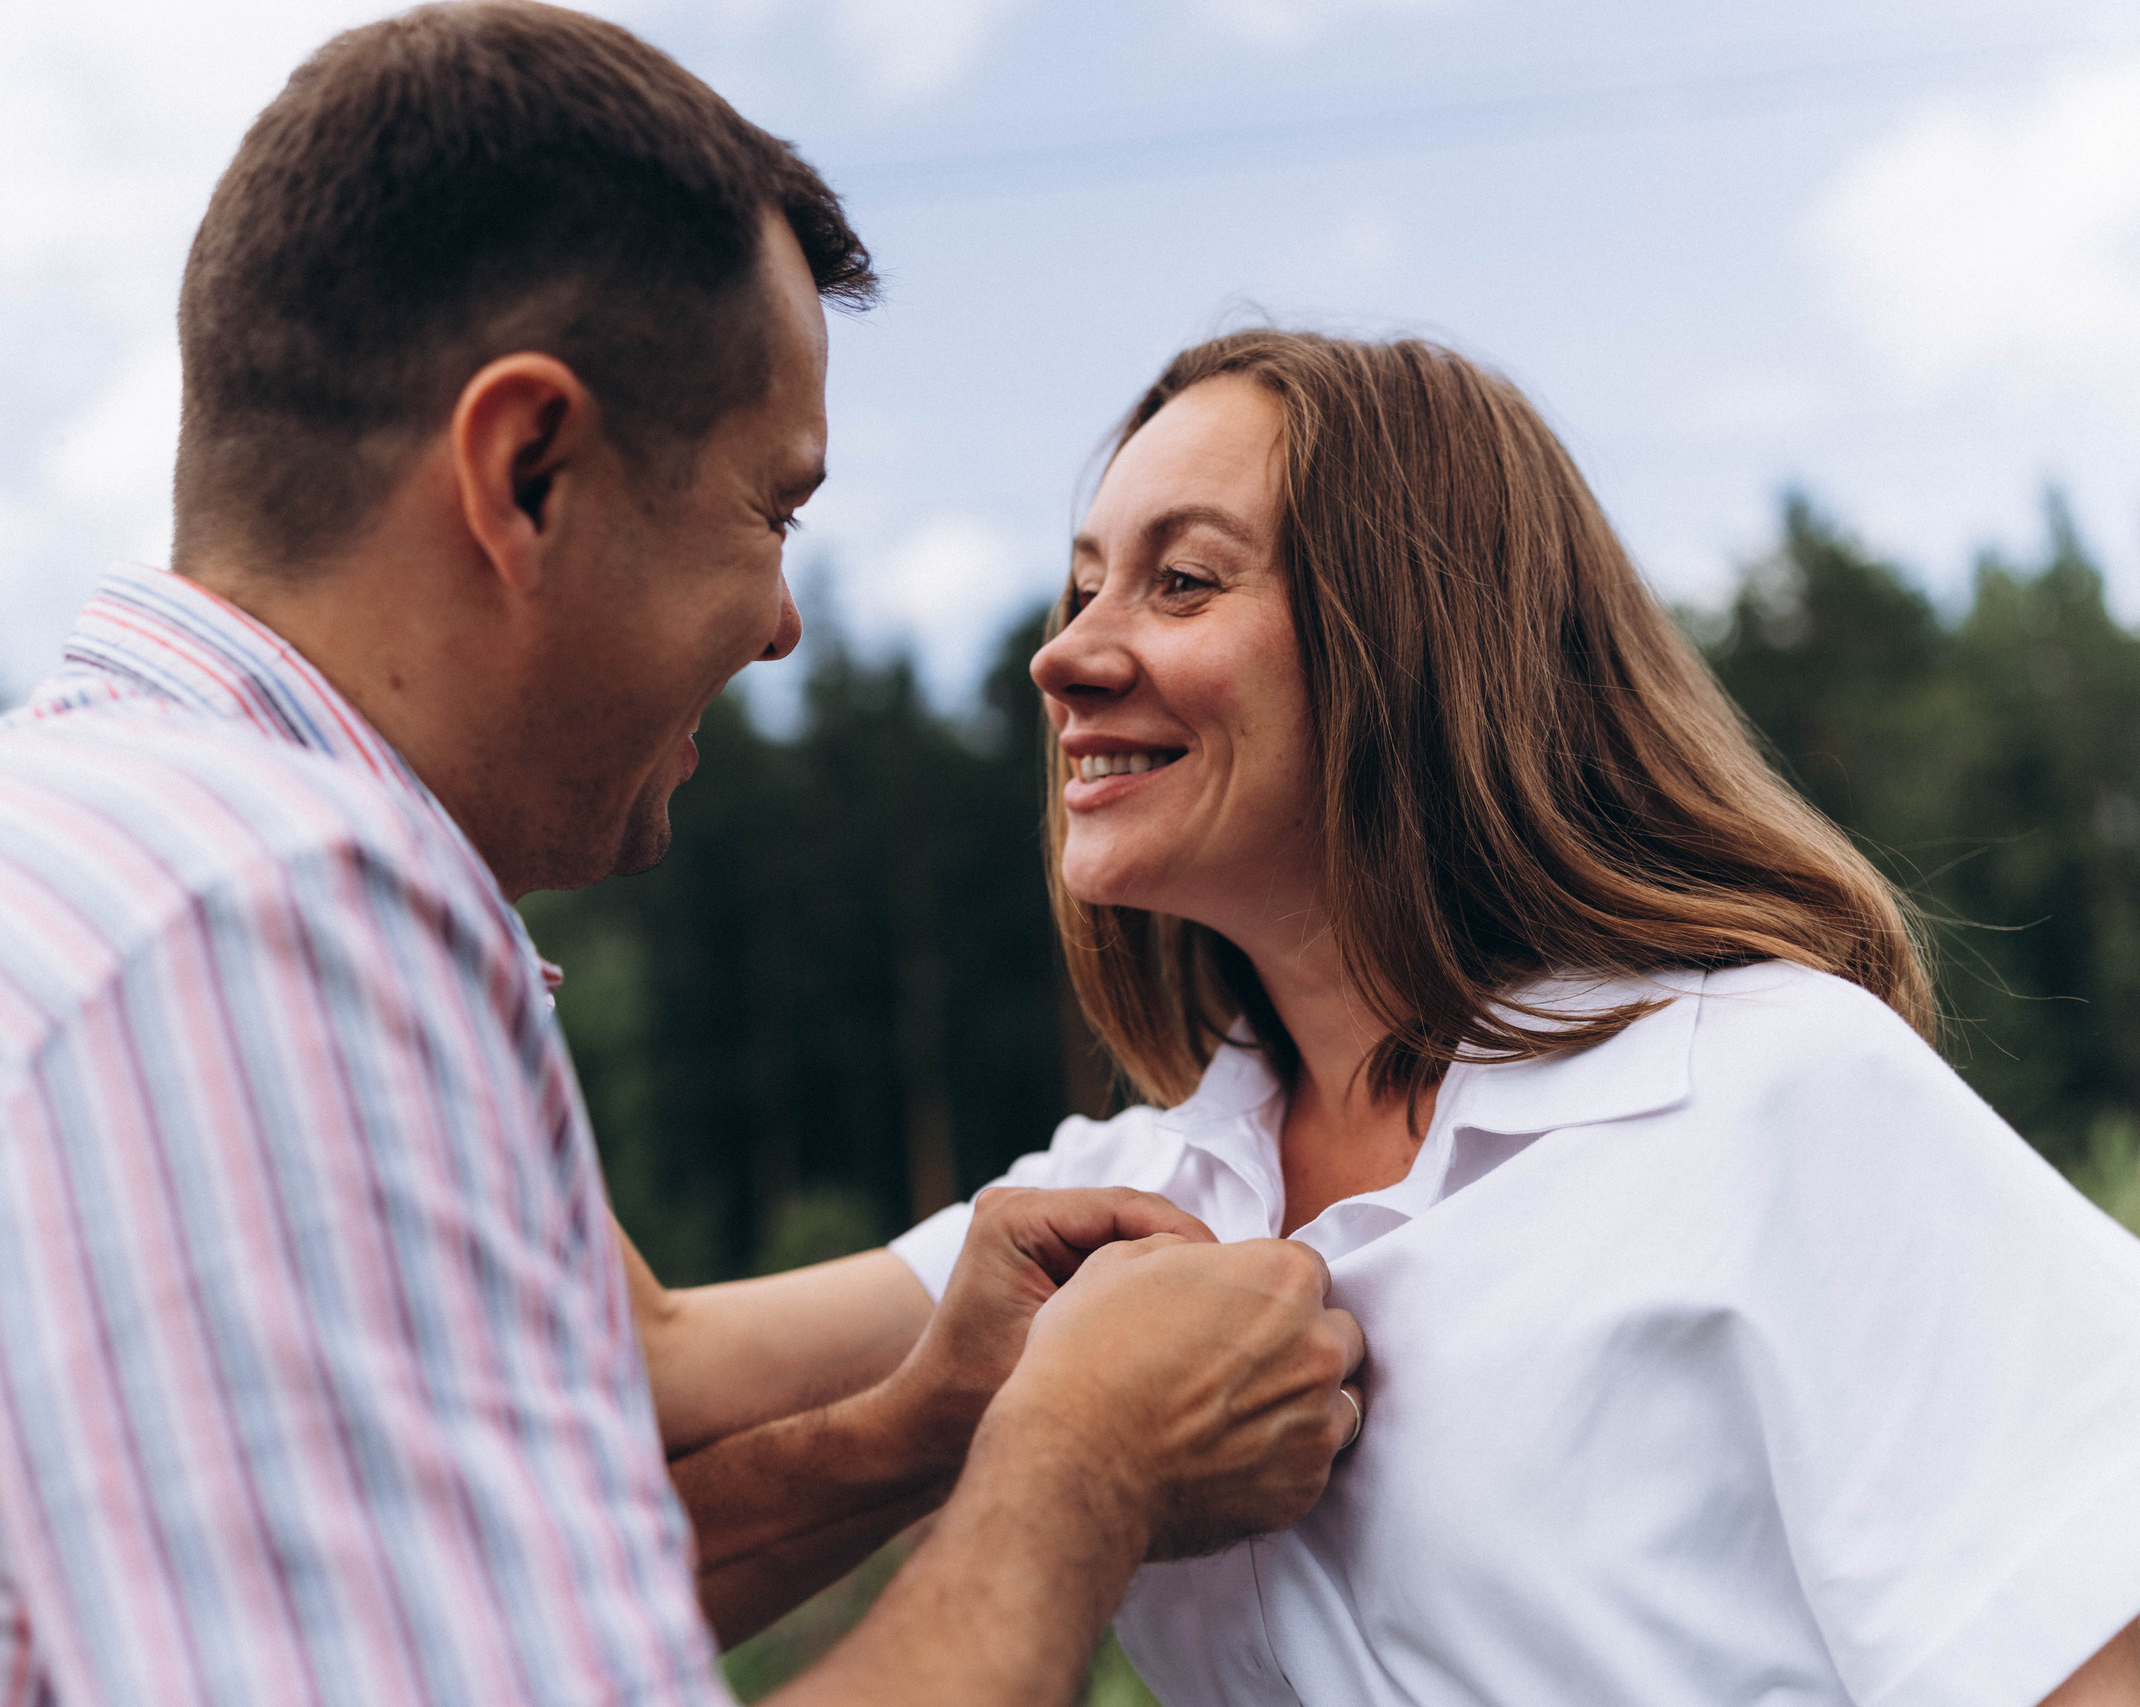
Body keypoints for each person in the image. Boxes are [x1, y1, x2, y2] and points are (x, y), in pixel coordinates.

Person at [0, 8, 1367, 1705]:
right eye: (774, 506)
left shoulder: (60, 824)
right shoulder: (242, 930)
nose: (782, 623)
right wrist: (1078, 1465)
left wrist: (926, 1426)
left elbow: (459, 1626)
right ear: (525, 471)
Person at [890, 328, 2140, 1707]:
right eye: (1080, 588)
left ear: (1413, 636)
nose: (1061, 656)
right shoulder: (1115, 1203)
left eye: (1180, 581)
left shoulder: (1774, 1089)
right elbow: (653, 1381)